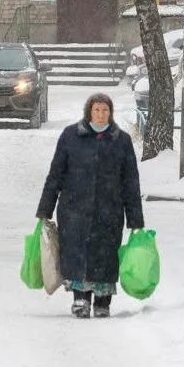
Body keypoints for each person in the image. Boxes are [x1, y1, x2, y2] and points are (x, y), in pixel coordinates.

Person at [36, 93, 144, 318]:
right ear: (89, 112)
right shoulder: (70, 136)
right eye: (97, 110)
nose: (101, 114)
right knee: (76, 253)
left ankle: (103, 302)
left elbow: (130, 181)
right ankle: (80, 300)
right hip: (74, 209)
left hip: (110, 210)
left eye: (105, 110)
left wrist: (135, 220)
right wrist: (45, 210)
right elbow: (55, 175)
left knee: (106, 256)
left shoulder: (121, 141)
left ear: (110, 113)